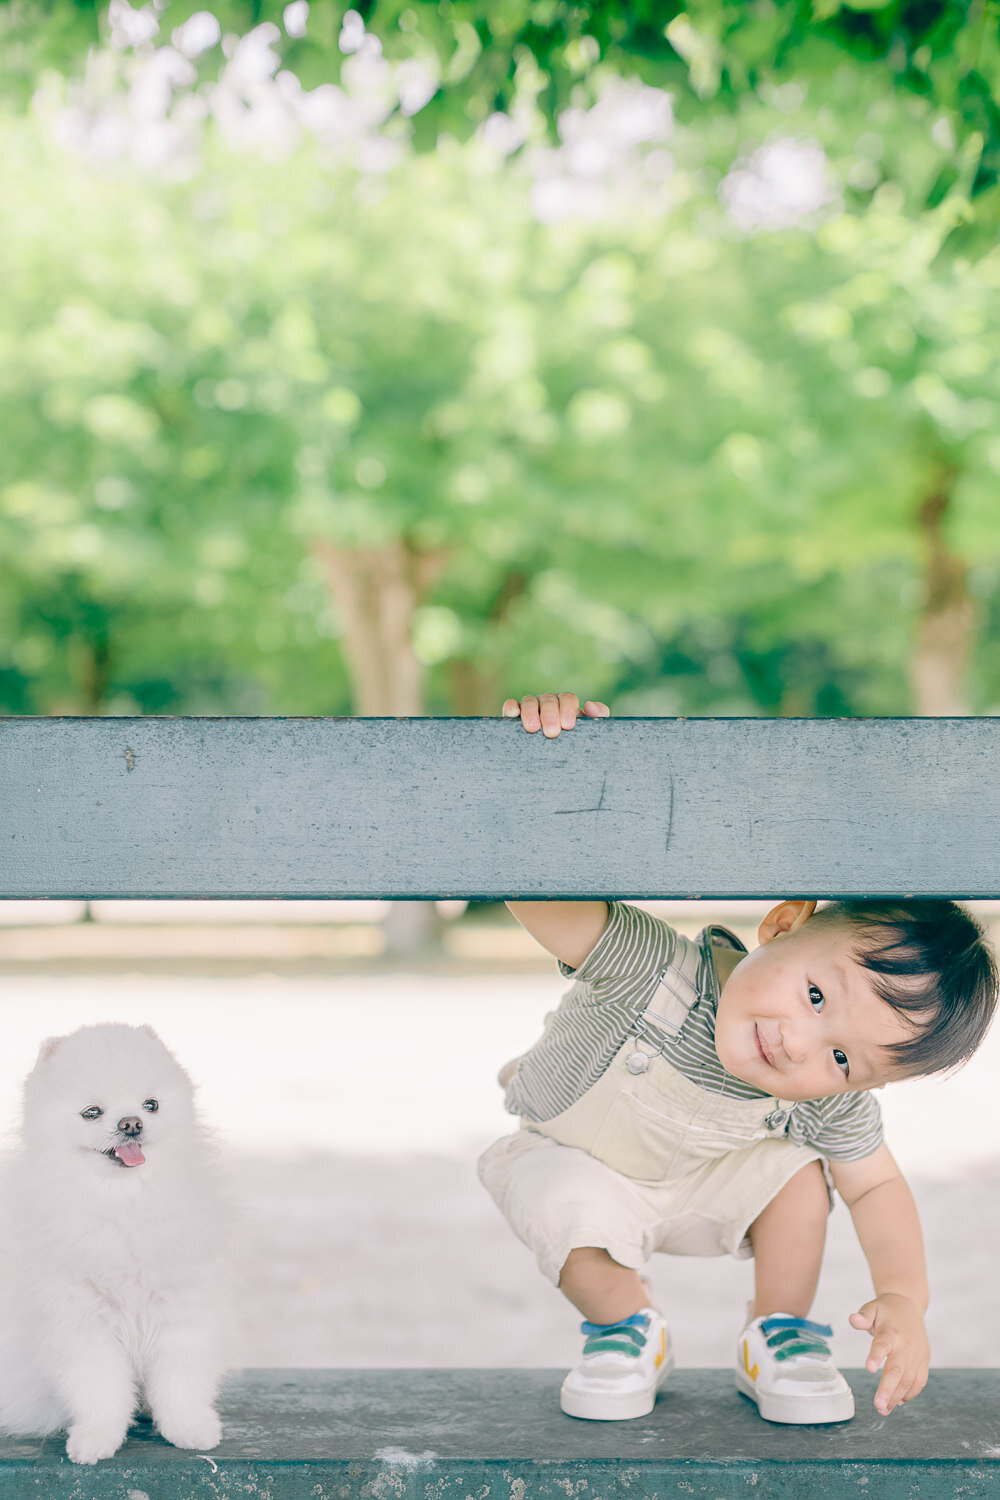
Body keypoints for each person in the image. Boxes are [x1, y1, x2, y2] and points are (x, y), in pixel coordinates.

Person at [479, 692, 998, 1425]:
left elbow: (878, 1190)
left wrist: (906, 1300)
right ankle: (628, 1329)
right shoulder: (649, 967)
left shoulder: (826, 1099)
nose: (800, 1043)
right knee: (562, 1200)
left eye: (846, 1058)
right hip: (584, 1163)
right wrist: (550, 767)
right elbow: (538, 897)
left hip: (706, 1189)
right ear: (784, 925)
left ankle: (778, 1334)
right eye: (817, 996)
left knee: (798, 1176)